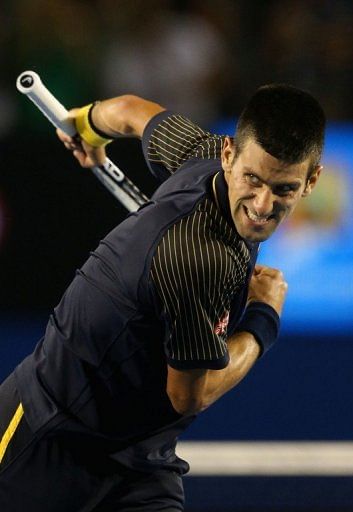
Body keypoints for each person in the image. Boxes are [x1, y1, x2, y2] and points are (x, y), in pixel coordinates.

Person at [0, 84, 325, 511]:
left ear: (310, 181)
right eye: (253, 179)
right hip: (47, 437)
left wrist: (86, 127)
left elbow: (130, 112)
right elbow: (191, 395)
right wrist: (263, 317)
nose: (263, 204)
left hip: (140, 455)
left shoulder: (201, 152)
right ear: (229, 155)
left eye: (283, 188)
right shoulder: (198, 261)